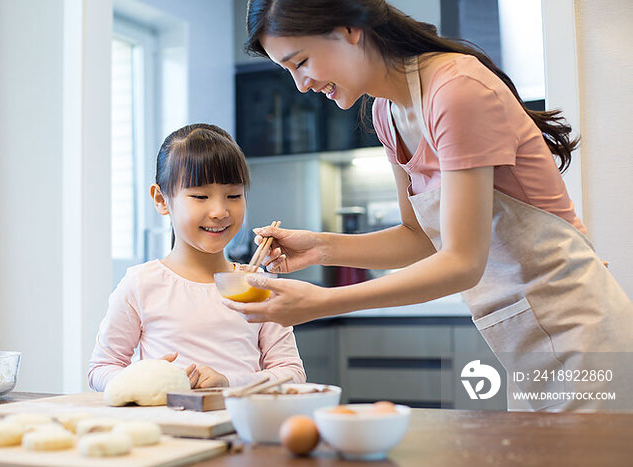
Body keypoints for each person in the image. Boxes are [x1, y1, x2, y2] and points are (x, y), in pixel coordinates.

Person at [222, 0, 633, 411]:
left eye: (302, 61)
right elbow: (419, 237)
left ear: (348, 29)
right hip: (527, 345)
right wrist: (321, 247)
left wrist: (324, 302)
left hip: (582, 333)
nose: (301, 85)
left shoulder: (456, 89)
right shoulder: (386, 112)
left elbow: (461, 262)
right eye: (288, 70)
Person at [88, 123, 306, 391]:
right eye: (200, 196)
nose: (219, 211)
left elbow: (291, 372)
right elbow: (101, 368)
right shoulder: (141, 284)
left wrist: (229, 383)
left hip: (240, 429)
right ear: (161, 199)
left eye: (234, 195)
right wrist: (143, 381)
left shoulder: (259, 286)